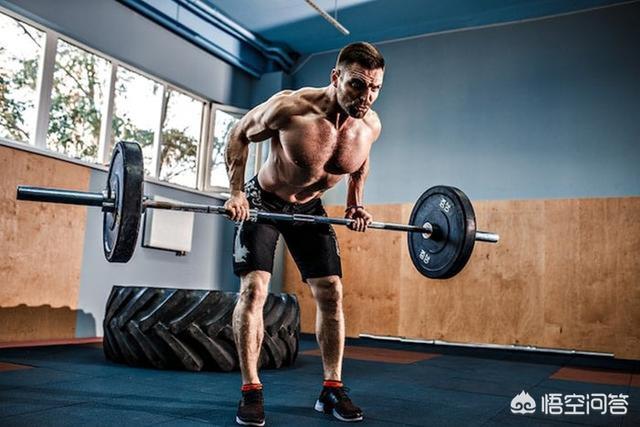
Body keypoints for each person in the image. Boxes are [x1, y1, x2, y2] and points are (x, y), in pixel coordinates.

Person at [224, 41, 384, 426]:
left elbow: (359, 162)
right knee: (254, 289)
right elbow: (238, 133)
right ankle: (251, 390)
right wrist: (236, 192)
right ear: (336, 76)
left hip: (310, 209)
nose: (366, 97)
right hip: (264, 201)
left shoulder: (370, 126)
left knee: (331, 291)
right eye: (357, 85)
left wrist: (355, 203)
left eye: (375, 88)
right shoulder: (291, 108)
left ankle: (332, 390)